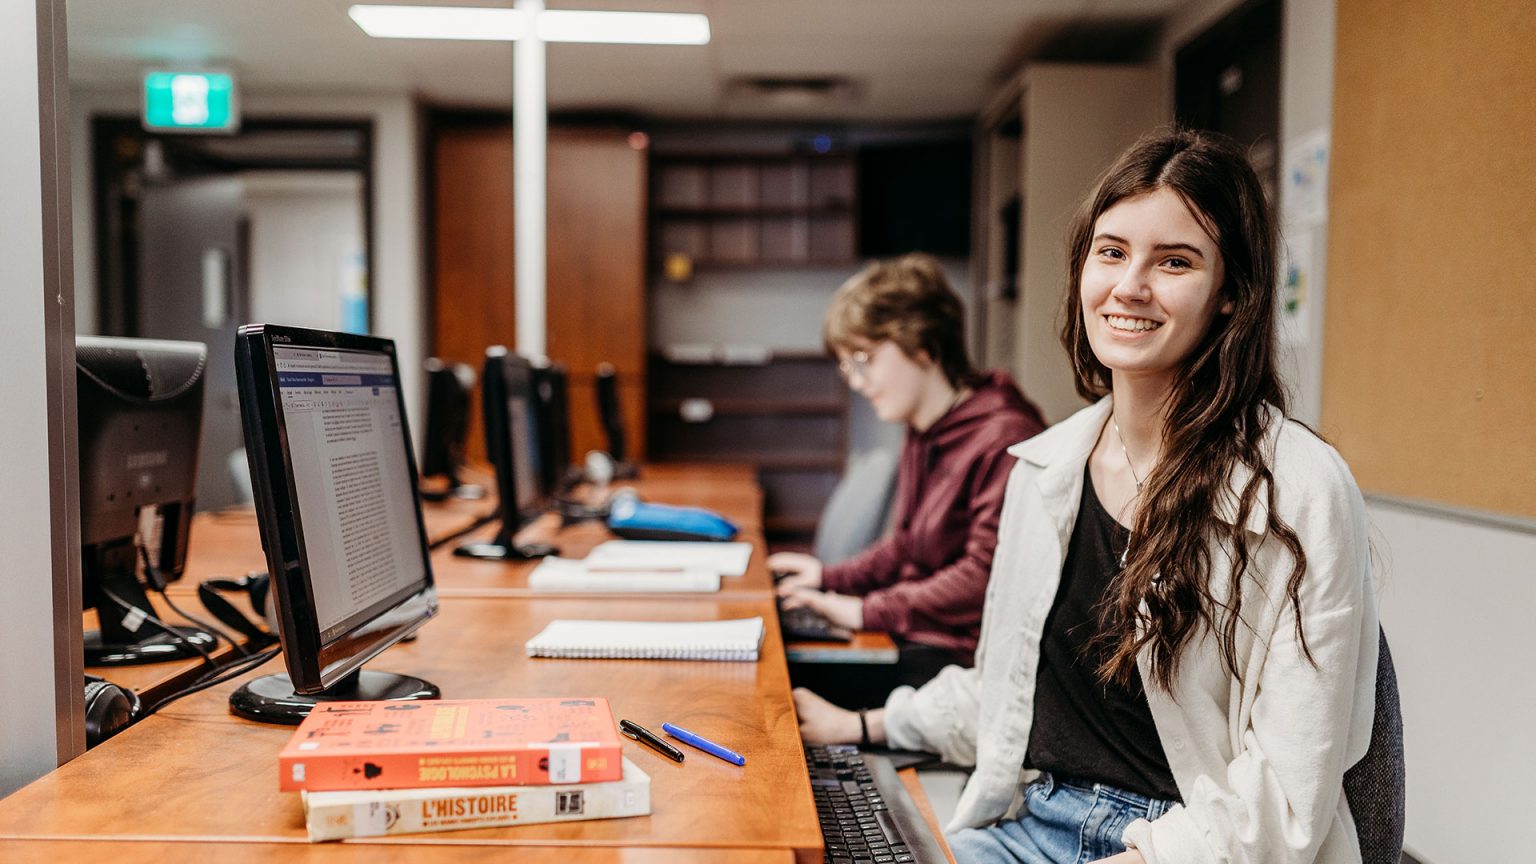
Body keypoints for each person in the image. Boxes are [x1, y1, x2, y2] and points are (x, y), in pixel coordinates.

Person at [794, 129, 1379, 864]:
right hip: (1029, 822)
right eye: (1111, 252)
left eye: (1174, 261)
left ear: (1232, 293)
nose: (1129, 285)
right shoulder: (1047, 469)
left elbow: (1286, 794)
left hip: (1182, 845)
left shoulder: (1299, 488)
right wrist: (863, 725)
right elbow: (1008, 692)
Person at [770, 253, 1045, 708]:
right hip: (916, 633)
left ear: (921, 344)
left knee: (780, 684)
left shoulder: (1005, 437)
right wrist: (828, 577)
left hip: (958, 660)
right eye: (847, 367)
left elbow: (982, 578)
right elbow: (909, 543)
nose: (857, 382)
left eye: (864, 360)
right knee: (776, 657)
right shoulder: (925, 427)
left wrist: (865, 610)